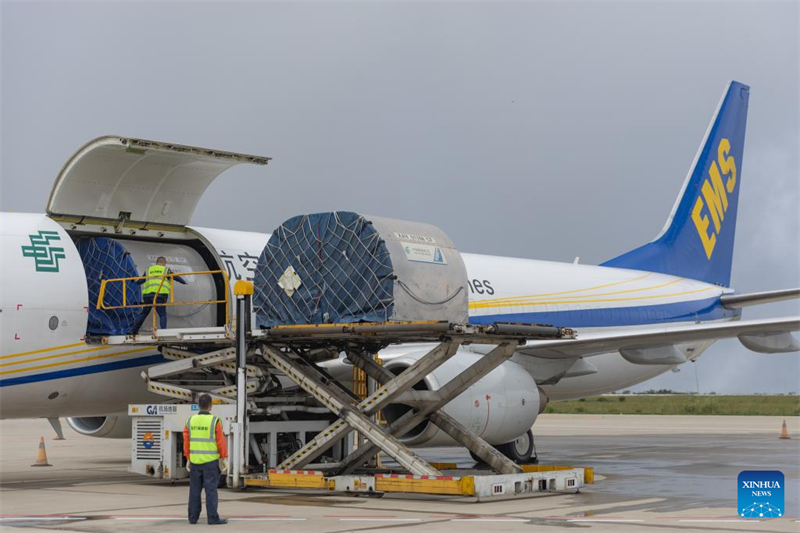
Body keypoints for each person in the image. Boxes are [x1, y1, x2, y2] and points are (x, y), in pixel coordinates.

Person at [184, 393, 228, 525]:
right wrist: (223, 457)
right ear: (210, 406)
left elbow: (187, 442)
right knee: (211, 491)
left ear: (198, 405)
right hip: (210, 462)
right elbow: (221, 442)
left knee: (194, 491)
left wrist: (188, 458)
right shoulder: (215, 421)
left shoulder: (190, 420)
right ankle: (212, 518)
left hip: (195, 462)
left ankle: (193, 518)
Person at [132, 256, 186, 333]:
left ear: (157, 262)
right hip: (159, 295)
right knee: (162, 314)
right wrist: (183, 282)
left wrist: (134, 281)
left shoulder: (149, 270)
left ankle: (133, 330)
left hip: (148, 296)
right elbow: (175, 277)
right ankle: (164, 332)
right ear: (164, 263)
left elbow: (141, 281)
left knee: (144, 313)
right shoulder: (166, 270)